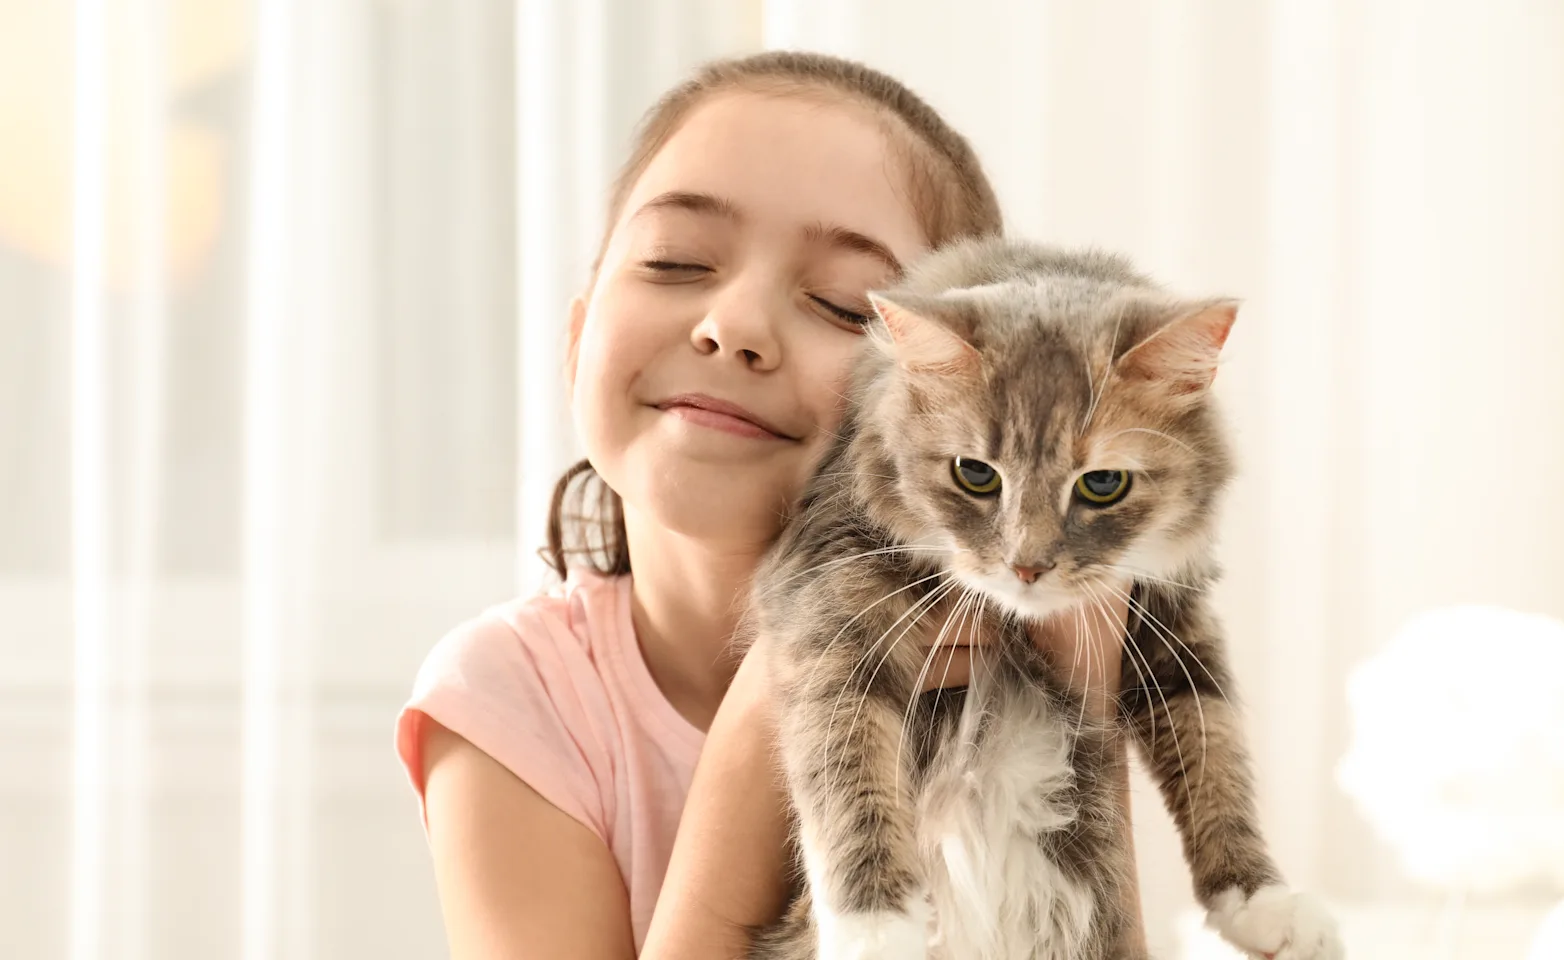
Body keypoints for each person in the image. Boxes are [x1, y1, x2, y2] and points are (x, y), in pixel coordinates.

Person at [395, 50, 1139, 959]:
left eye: (839, 305)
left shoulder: (1011, 668)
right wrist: (758, 745)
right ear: (579, 333)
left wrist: (1088, 721)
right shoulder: (509, 698)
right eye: (674, 262)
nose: (735, 326)